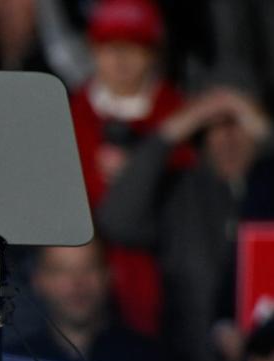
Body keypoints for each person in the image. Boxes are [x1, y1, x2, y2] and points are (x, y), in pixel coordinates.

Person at [96, 86, 274, 361]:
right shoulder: (181, 195)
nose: (228, 139)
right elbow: (117, 220)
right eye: (214, 128)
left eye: (240, 124)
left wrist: (270, 135)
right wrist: (170, 131)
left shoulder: (271, 192)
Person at [68, 0, 192, 338]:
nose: (120, 59)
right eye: (109, 46)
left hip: (164, 287)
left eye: (133, 46)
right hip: (82, 289)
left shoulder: (181, 116)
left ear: (153, 53)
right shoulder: (68, 115)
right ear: (92, 50)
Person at [8, 241, 170, 361]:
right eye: (61, 270)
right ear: (37, 280)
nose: (77, 283)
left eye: (89, 268)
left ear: (109, 274)